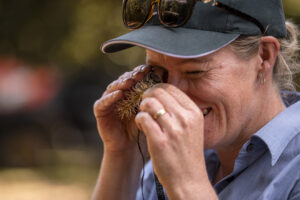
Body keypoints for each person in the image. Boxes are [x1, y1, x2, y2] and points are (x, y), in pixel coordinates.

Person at [92, 0, 300, 199]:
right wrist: (122, 154)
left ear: (263, 56)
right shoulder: (171, 158)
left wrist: (189, 187)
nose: (172, 91)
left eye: (194, 72)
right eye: (157, 71)